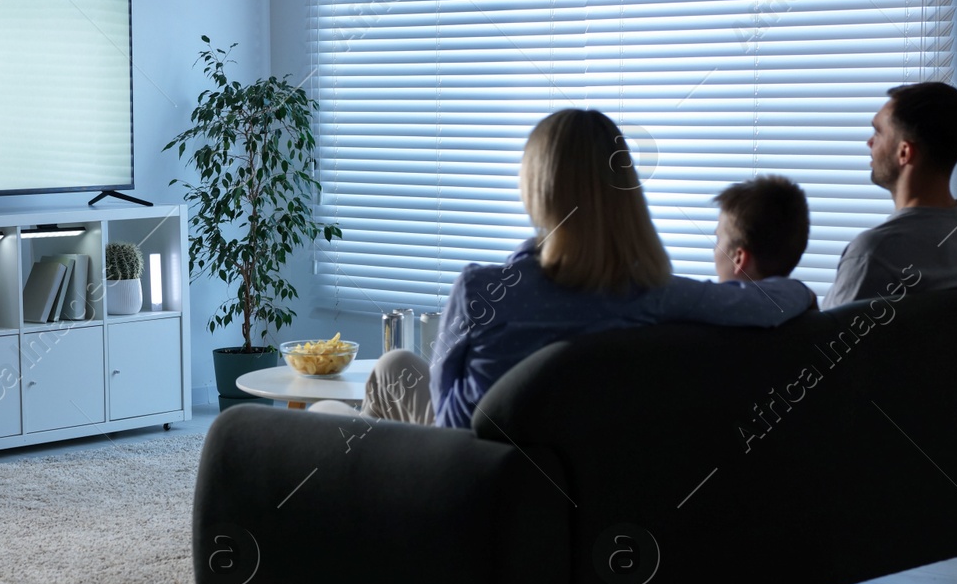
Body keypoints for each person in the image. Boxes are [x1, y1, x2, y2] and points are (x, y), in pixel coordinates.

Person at [319, 109, 815, 429]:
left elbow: (450, 419)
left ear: (538, 190)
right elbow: (781, 297)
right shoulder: (657, 295)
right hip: (578, 482)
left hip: (468, 476)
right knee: (388, 374)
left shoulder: (482, 291)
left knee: (366, 386)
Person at [824, 82, 957, 309]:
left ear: (904, 152)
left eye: (878, 132)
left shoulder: (875, 252)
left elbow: (827, 343)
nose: (869, 143)